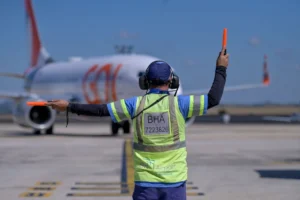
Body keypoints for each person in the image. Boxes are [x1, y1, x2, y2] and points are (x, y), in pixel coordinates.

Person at [46, 47, 229, 200]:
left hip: (145, 185)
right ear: (171, 81)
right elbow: (213, 99)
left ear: (144, 82)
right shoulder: (180, 104)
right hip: (175, 183)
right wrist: (221, 68)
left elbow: (101, 110)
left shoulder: (134, 105)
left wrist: (68, 106)